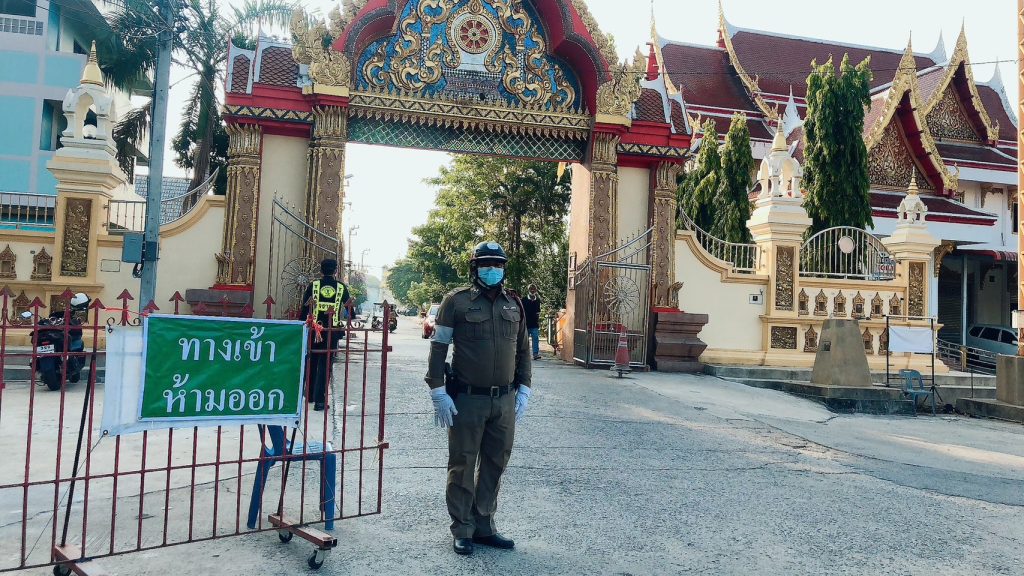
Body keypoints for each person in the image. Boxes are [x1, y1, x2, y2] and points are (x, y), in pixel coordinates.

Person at [425, 241, 532, 556]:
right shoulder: (456, 302)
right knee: (462, 464)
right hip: (468, 400)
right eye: (486, 264)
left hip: (504, 400)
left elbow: (523, 349)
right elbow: (439, 346)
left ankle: (484, 526)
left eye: (497, 265)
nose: (492, 269)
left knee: (496, 463)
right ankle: (462, 529)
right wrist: (437, 390)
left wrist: (525, 386)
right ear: (475, 268)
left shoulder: (514, 303)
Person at [300, 258, 352, 411]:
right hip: (332, 331)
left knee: (312, 360)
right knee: (325, 364)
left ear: (321, 271)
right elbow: (349, 308)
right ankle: (320, 401)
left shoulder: (313, 285)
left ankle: (309, 395)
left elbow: (304, 308)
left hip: (314, 329)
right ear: (335, 271)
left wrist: (302, 324)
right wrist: (350, 318)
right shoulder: (341, 287)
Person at [522, 284, 542, 360]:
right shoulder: (524, 299)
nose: (532, 290)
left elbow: (538, 312)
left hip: (534, 324)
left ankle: (535, 354)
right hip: (525, 323)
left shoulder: (538, 300)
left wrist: (538, 320)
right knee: (525, 341)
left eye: (534, 289)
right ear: (528, 290)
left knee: (535, 339)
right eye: (531, 289)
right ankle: (524, 354)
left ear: (536, 290)